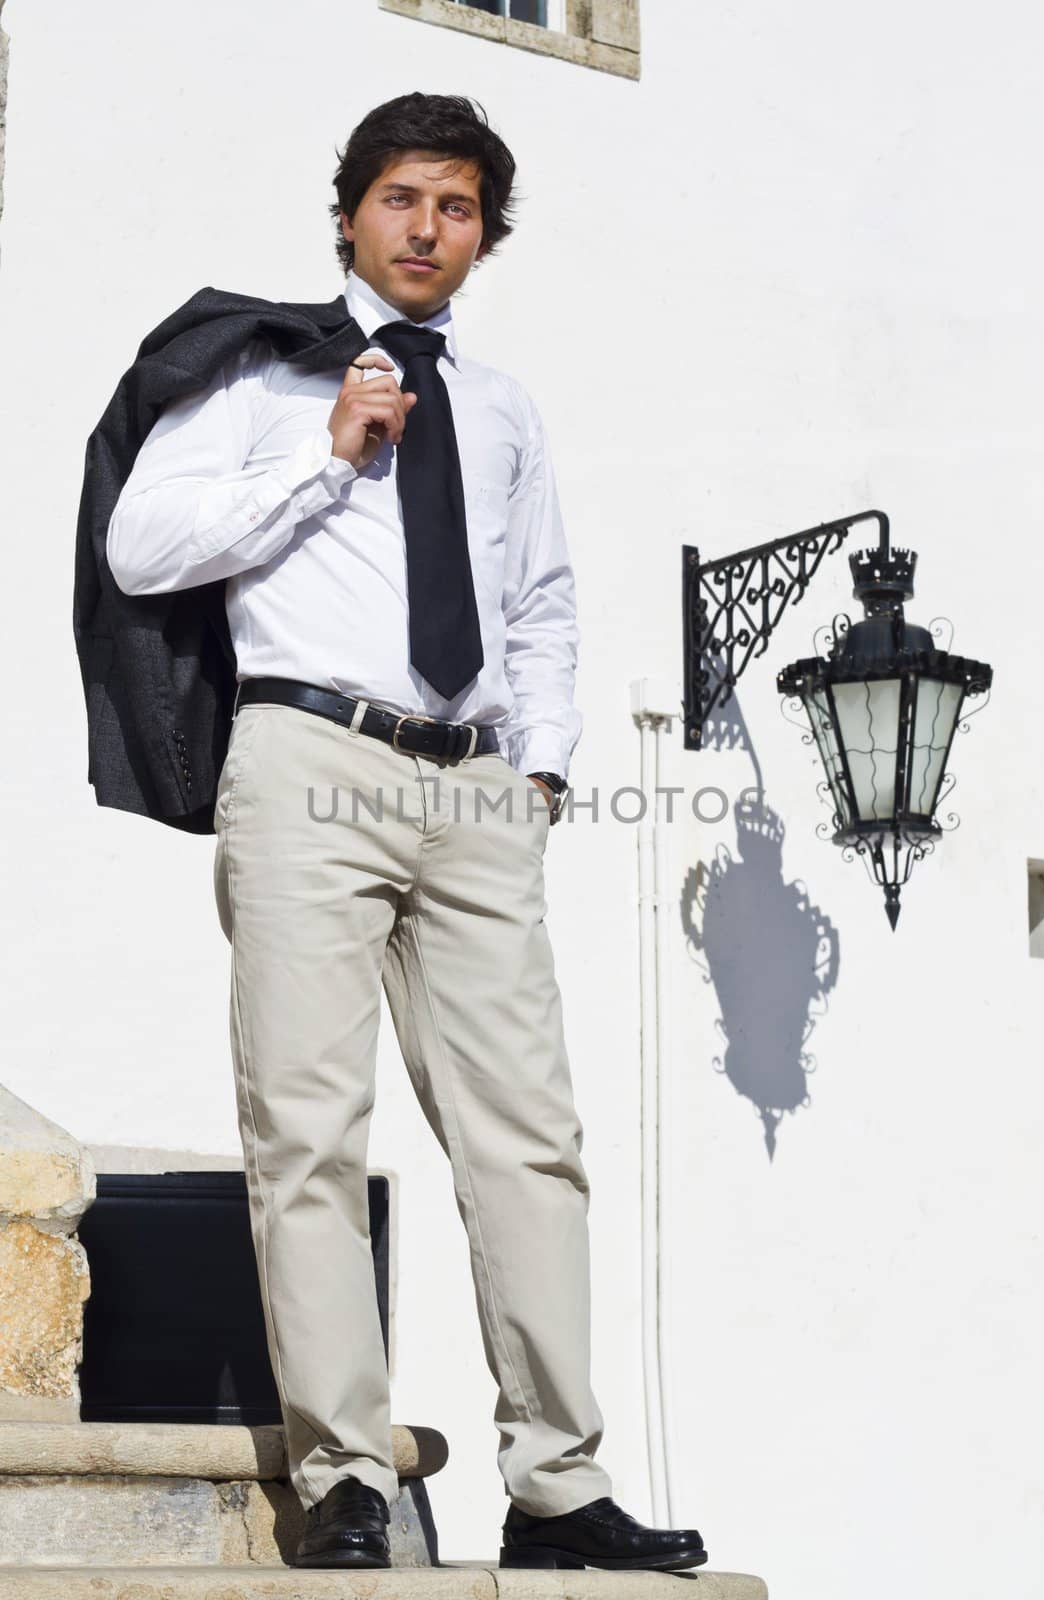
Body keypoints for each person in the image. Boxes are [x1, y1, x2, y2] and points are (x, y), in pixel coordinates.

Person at [106, 92, 706, 1575]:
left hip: (477, 789)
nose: (427, 227)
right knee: (309, 1129)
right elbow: (142, 541)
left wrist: (544, 774)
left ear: (484, 234)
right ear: (351, 212)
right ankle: (347, 1477)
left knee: (532, 1141)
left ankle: (558, 1486)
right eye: (401, 199)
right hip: (307, 754)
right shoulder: (260, 368)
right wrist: (323, 450)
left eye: (456, 207)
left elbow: (544, 602)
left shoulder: (503, 408)